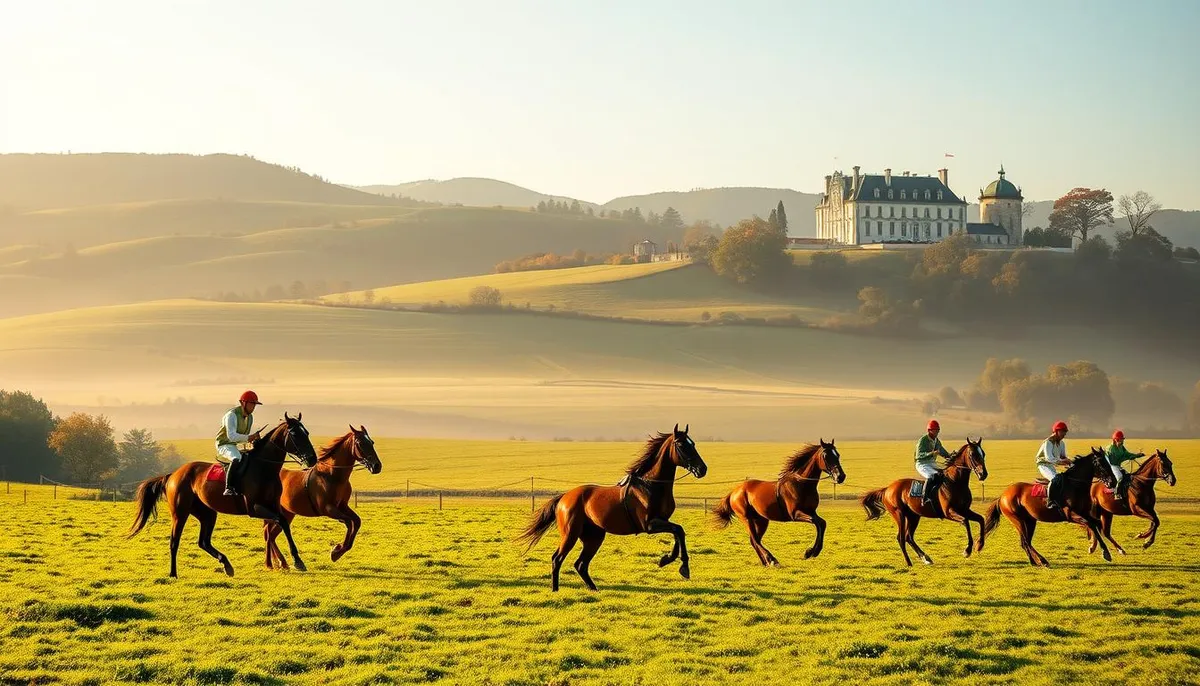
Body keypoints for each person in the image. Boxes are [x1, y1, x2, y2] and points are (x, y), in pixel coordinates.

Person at [217, 391, 263, 496]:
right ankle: (228, 488)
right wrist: (249, 437)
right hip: (224, 444)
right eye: (252, 404)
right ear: (243, 403)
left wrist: (254, 440)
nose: (253, 407)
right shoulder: (231, 415)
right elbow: (232, 436)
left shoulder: (250, 417)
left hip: (236, 445)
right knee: (236, 458)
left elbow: (244, 438)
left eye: (254, 405)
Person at [915, 419, 951, 507]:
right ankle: (924, 498)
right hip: (922, 463)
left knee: (944, 474)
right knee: (932, 476)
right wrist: (932, 453)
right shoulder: (923, 440)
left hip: (932, 463)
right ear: (929, 431)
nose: (936, 433)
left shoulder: (936, 441)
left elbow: (942, 451)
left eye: (937, 431)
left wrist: (951, 456)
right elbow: (919, 455)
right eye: (934, 430)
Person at [1035, 421, 1071, 508]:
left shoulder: (1062, 443)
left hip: (1051, 465)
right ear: (1056, 431)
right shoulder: (1048, 442)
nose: (1064, 434)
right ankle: (1050, 501)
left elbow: (1063, 456)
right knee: (1055, 479)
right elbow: (1049, 458)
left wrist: (1070, 462)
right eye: (1063, 431)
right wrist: (1063, 462)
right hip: (1043, 465)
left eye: (1065, 432)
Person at [1105, 430, 1143, 501]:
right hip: (1112, 465)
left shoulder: (1121, 447)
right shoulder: (1111, 449)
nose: (1122, 441)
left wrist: (1137, 455)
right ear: (1116, 440)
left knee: (1128, 476)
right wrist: (1129, 457)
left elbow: (1127, 454)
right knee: (1120, 477)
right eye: (1121, 439)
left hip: (1118, 465)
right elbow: (1119, 459)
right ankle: (1117, 494)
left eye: (1123, 439)